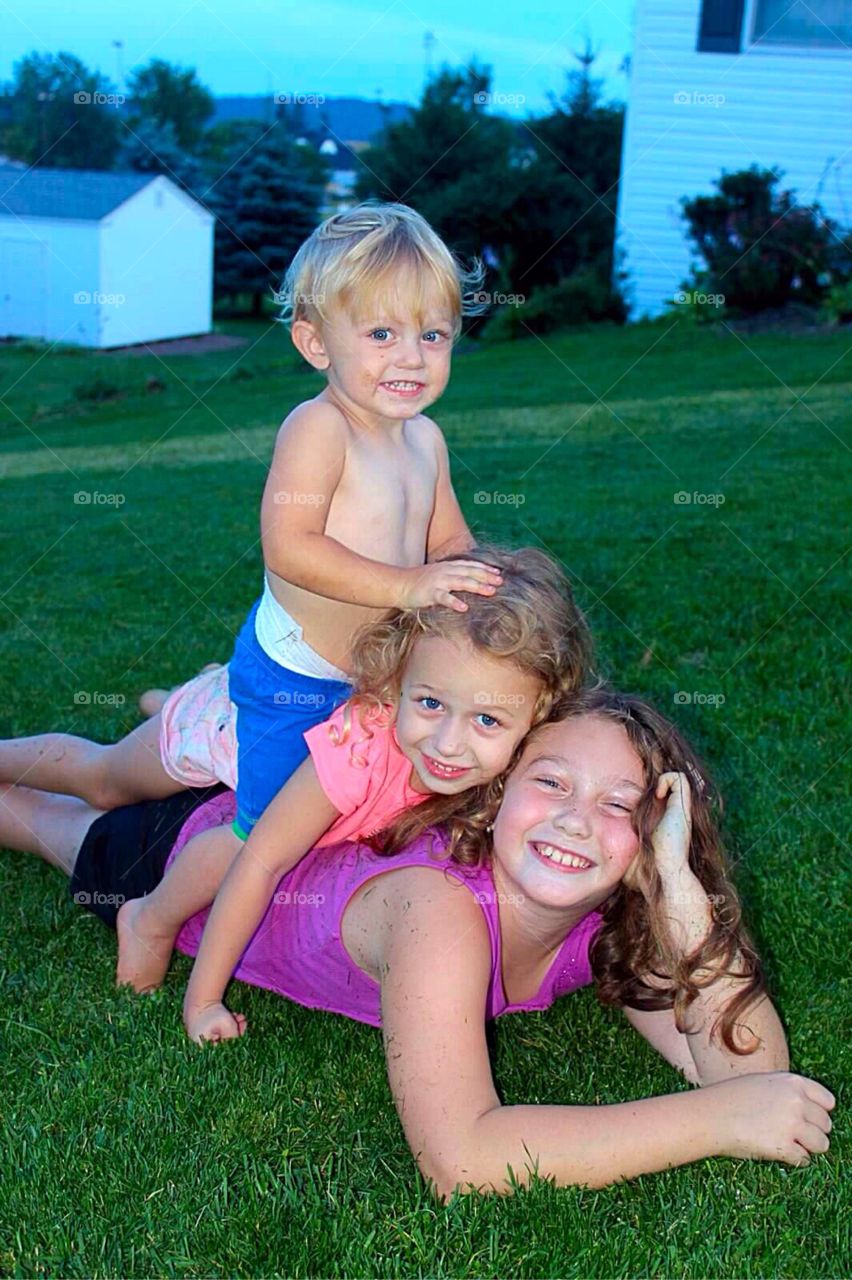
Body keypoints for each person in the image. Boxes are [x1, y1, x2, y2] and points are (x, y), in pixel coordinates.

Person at [1, 687, 834, 1196]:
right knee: (61, 820)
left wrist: (683, 895)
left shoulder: (608, 910)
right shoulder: (439, 912)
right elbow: (463, 1160)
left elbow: (757, 1078)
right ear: (497, 794)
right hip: (201, 855)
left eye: (622, 806)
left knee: (190, 746)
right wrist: (713, 1121)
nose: (581, 819)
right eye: (551, 782)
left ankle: (193, 707)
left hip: (310, 818)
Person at [0, 201, 497, 863]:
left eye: (432, 335)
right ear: (315, 342)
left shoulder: (425, 440)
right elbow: (291, 549)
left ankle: (179, 703)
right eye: (381, 334)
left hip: (368, 678)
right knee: (112, 780)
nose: (411, 356)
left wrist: (480, 578)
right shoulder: (319, 429)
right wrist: (407, 585)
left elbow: (449, 540)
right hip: (293, 679)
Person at [117, 544, 591, 1004]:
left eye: (487, 719)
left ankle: (174, 695)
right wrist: (204, 1001)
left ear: (539, 714)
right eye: (430, 703)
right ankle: (147, 919)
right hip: (225, 735)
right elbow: (264, 861)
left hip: (285, 719)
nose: (449, 743)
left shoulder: (520, 763)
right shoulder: (359, 750)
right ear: (397, 681)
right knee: (112, 782)